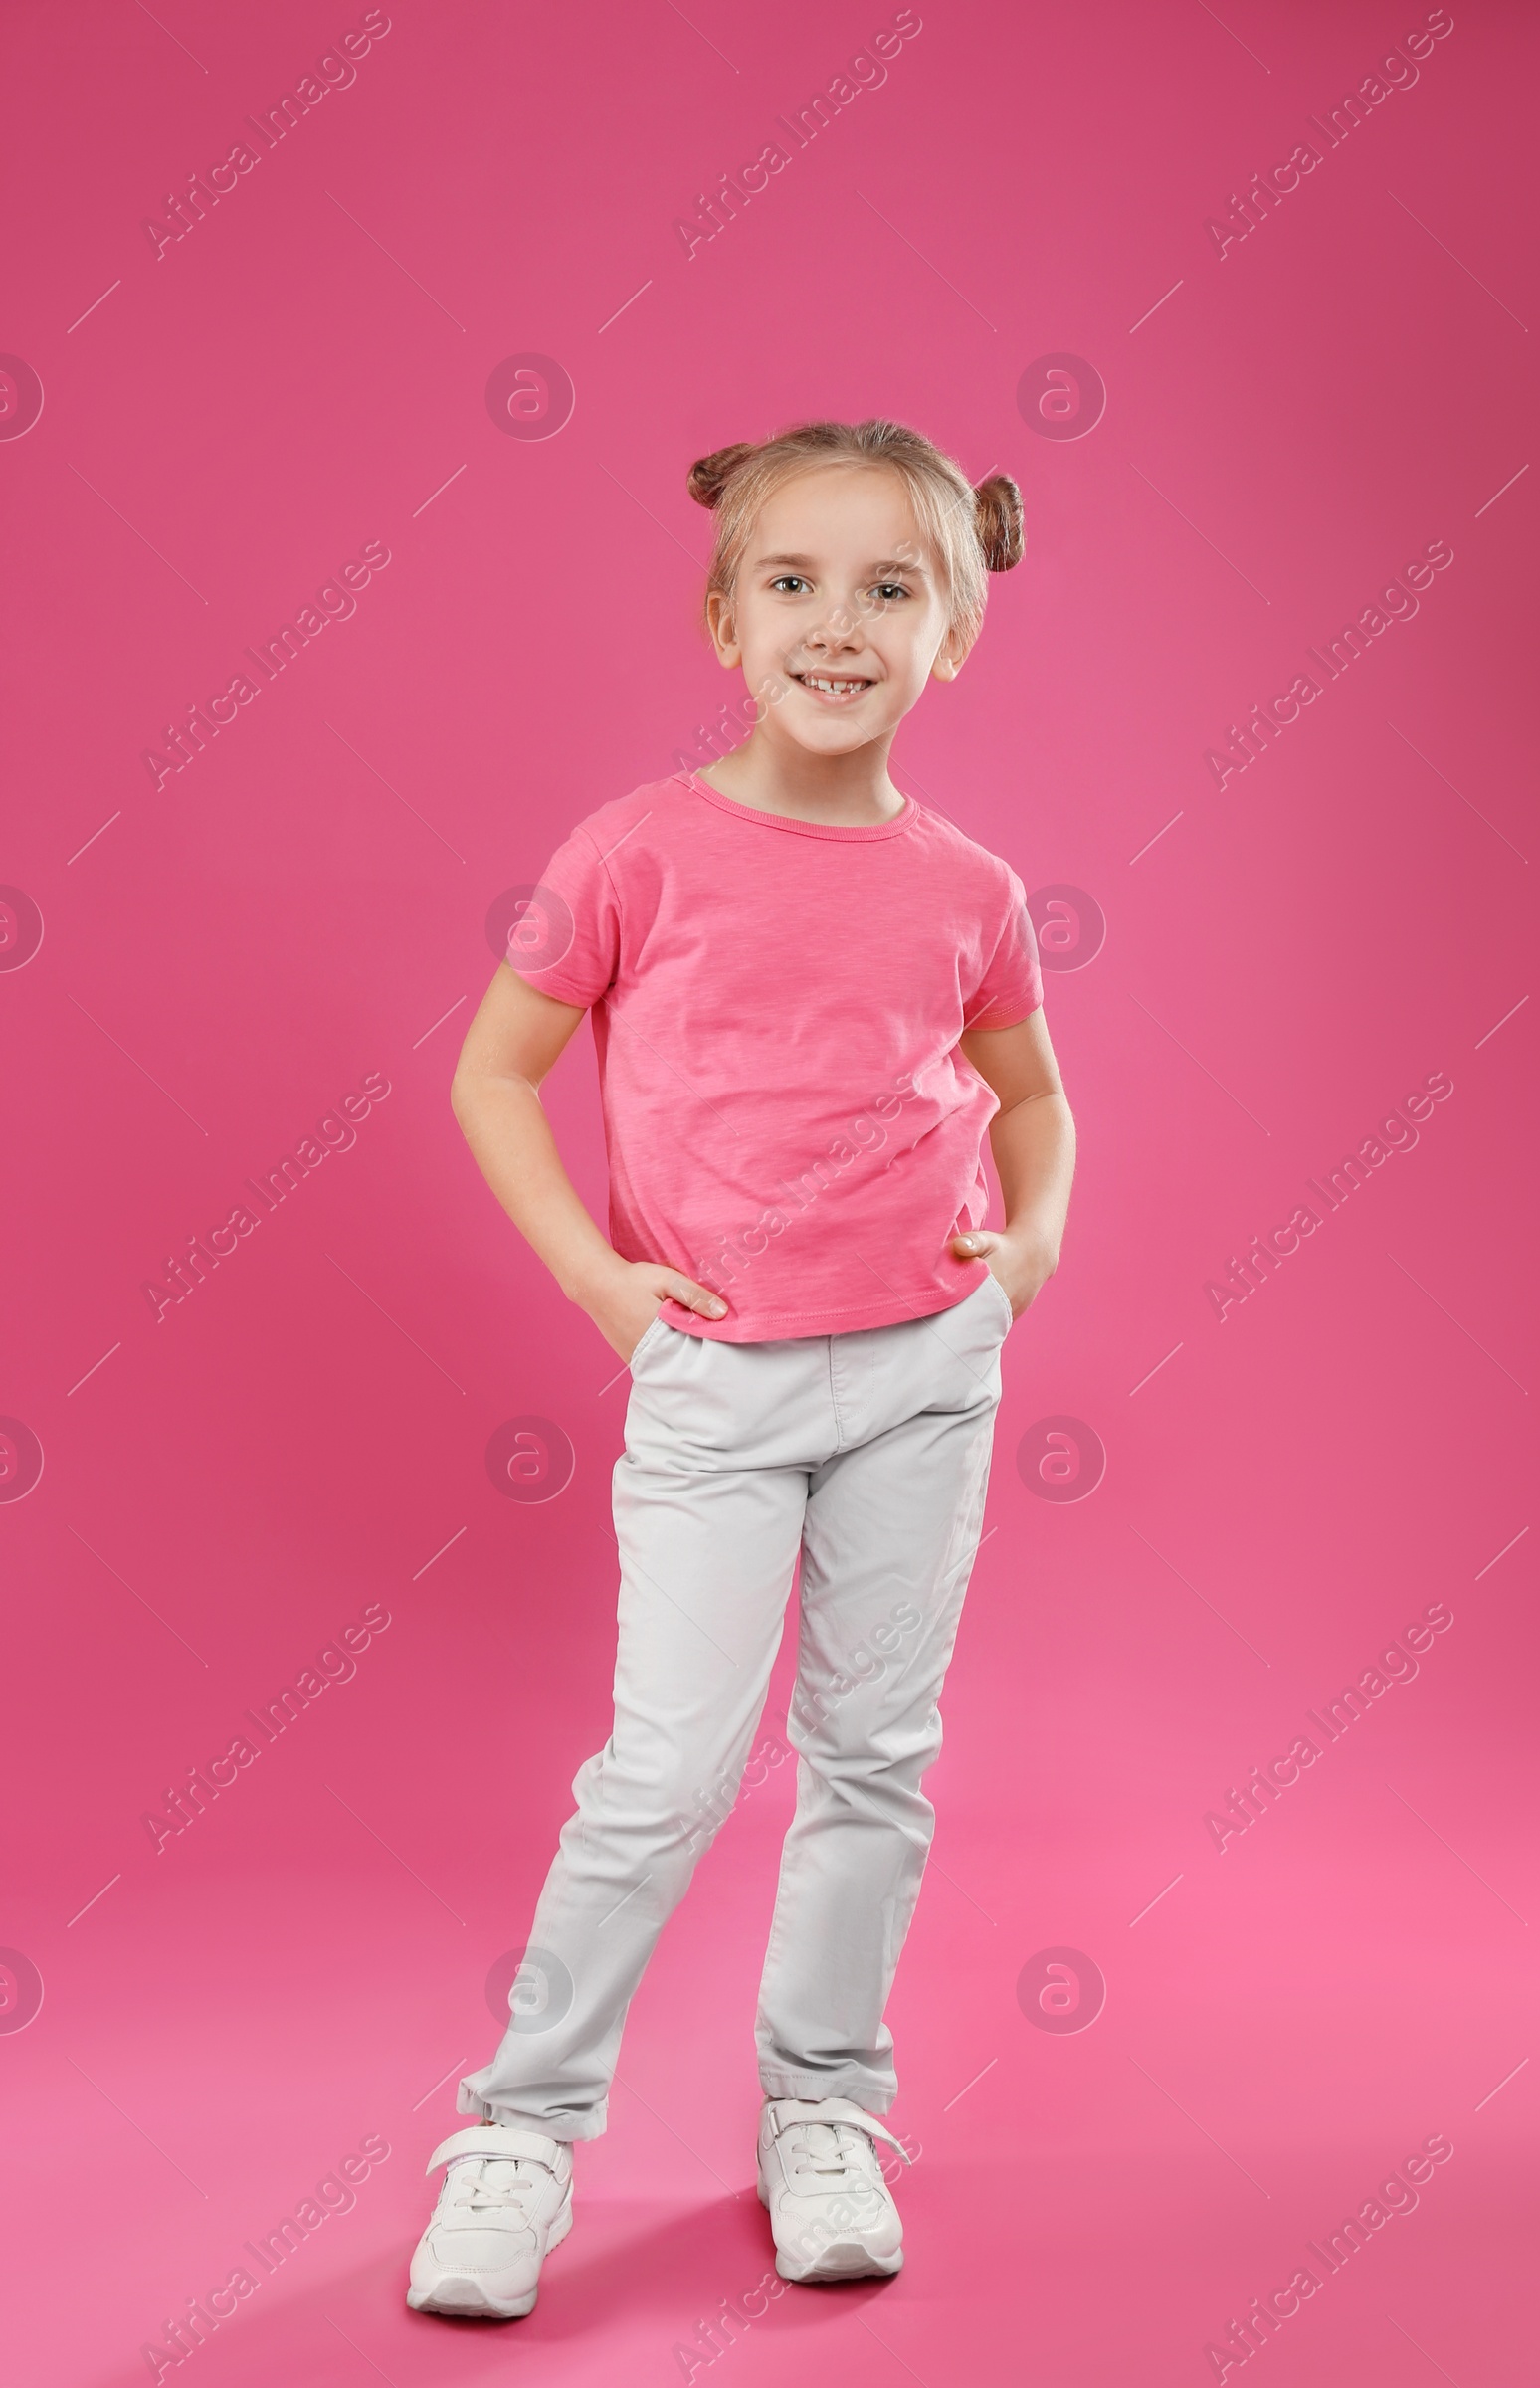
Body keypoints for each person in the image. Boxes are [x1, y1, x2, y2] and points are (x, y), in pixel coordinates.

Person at [406, 417, 1076, 2320]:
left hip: (922, 1377)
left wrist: (1021, 1254)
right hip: (718, 1386)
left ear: (954, 633)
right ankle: (522, 2128)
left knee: (873, 1759)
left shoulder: (970, 885)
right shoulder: (634, 851)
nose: (838, 623)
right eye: (794, 581)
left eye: (892, 587)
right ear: (725, 613)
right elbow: (491, 1074)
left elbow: (1031, 1096)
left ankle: (826, 2105)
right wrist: (611, 1294)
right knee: (665, 1772)